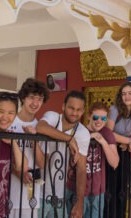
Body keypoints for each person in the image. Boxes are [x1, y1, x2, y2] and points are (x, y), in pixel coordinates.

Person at [37, 90, 90, 218]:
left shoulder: (82, 133)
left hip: (58, 195)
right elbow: (41, 127)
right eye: (71, 108)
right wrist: (69, 139)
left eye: (79, 109)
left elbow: (81, 170)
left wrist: (79, 203)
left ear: (83, 111)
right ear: (63, 106)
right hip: (36, 194)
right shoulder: (53, 117)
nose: (74, 113)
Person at [8, 78, 50, 218]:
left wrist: (34, 140)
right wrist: (17, 171)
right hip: (6, 190)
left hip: (30, 194)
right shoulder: (9, 122)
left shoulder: (41, 128)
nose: (35, 103)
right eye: (32, 97)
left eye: (40, 99)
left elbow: (42, 163)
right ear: (23, 98)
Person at [105, 81, 131, 218]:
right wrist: (127, 141)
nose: (126, 97)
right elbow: (108, 132)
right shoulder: (115, 110)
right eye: (123, 94)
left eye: (130, 93)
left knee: (122, 188)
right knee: (110, 188)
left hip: (124, 153)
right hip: (110, 151)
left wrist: (129, 142)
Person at [82, 102, 119, 218]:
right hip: (78, 189)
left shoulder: (106, 133)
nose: (99, 121)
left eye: (103, 118)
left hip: (98, 190)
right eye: (96, 117)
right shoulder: (80, 130)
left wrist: (103, 141)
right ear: (89, 116)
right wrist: (88, 138)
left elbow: (115, 163)